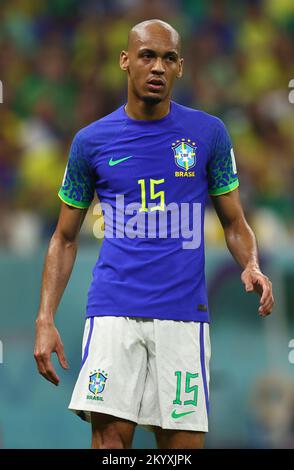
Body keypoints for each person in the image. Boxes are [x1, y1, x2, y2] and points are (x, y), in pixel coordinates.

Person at [34, 19, 274, 449]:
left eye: (168, 58)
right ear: (126, 61)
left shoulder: (208, 134)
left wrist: (251, 263)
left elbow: (235, 223)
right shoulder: (91, 142)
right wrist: (44, 318)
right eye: (147, 55)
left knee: (180, 448)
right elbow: (64, 238)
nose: (157, 66)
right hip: (113, 311)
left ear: (180, 67)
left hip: (183, 315)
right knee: (110, 444)